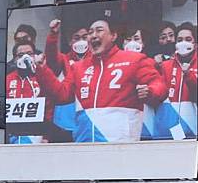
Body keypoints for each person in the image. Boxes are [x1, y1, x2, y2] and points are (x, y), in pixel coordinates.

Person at [35, 17, 167, 142]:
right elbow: (62, 95)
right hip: (85, 141)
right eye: (90, 32)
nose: (93, 35)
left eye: (99, 30)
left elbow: (158, 84)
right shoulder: (78, 67)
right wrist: (42, 69)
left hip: (121, 143)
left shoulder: (134, 60)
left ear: (113, 36)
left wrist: (150, 91)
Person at [153, 22, 198, 140]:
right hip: (167, 129)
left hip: (192, 127)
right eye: (180, 40)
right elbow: (159, 92)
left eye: (188, 39)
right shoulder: (165, 65)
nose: (183, 42)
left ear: (195, 43)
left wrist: (188, 74)